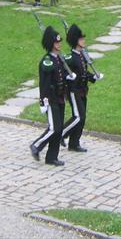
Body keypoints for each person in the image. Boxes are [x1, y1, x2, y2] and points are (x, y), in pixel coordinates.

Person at [30, 26, 68, 166]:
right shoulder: (47, 61)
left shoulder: (58, 59)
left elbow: (62, 76)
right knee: (54, 128)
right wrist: (43, 101)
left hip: (60, 97)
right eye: (57, 42)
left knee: (59, 130)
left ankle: (52, 157)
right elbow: (44, 84)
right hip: (51, 98)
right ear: (51, 44)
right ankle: (36, 145)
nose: (59, 44)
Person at [61, 24, 98, 152]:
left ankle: (74, 143)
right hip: (73, 90)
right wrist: (68, 76)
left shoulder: (82, 56)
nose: (84, 41)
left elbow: (84, 73)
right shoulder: (70, 57)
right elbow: (62, 71)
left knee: (82, 118)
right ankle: (61, 134)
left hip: (82, 90)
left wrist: (93, 77)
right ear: (76, 41)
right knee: (79, 116)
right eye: (81, 39)